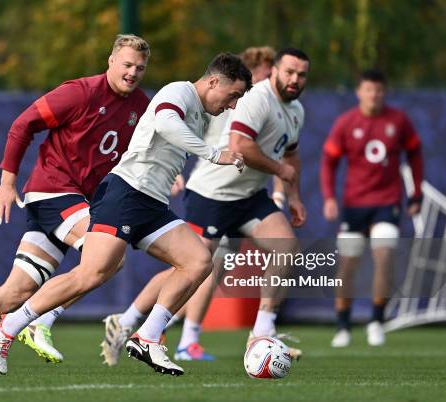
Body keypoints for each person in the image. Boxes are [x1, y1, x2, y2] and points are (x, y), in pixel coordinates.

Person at [0, 52, 252, 376]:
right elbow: (167, 123)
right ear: (213, 82)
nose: (233, 104)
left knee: (198, 261)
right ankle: (9, 326)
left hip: (151, 203)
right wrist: (214, 154)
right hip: (125, 193)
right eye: (233, 95)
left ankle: (147, 337)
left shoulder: (201, 112)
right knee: (91, 274)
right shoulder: (179, 92)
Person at [0, 34, 151, 374]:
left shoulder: (140, 106)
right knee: (108, 259)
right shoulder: (80, 92)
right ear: (111, 61)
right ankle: (40, 321)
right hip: (53, 191)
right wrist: (7, 184)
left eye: (139, 68)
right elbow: (23, 125)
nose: (132, 73)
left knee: (15, 292)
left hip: (74, 200)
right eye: (127, 65)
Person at [101, 47, 310, 364]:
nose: (293, 79)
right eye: (285, 71)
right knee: (197, 265)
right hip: (213, 192)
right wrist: (279, 172)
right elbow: (241, 147)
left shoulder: (294, 110)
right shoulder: (254, 99)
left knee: (284, 247)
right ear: (273, 71)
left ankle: (262, 332)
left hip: (248, 195)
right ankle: (135, 322)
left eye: (301, 74)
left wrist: (291, 196)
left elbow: (290, 153)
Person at [321, 69, 423, 348]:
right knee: (348, 265)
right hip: (354, 204)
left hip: (387, 202)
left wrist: (416, 192)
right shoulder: (346, 123)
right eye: (368, 90)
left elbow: (415, 153)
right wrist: (329, 197)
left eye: (378, 90)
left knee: (384, 255)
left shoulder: (398, 121)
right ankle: (343, 326)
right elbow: (329, 161)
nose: (373, 95)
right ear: (359, 92)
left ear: (385, 92)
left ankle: (376, 321)